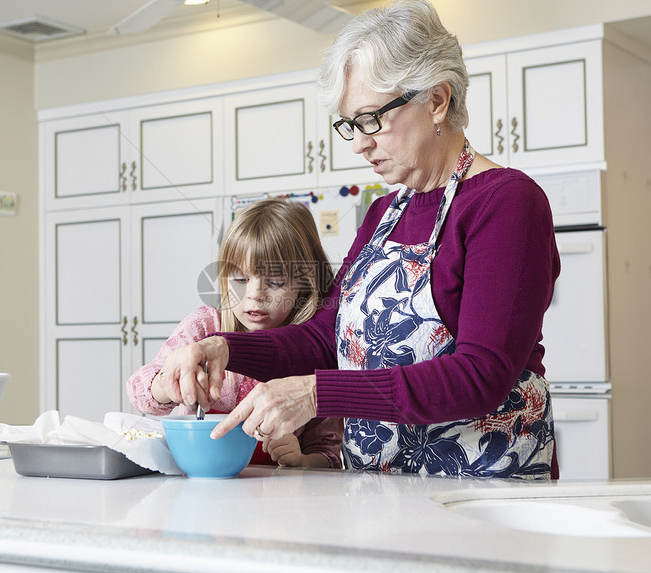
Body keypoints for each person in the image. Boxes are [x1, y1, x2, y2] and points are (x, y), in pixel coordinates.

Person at [157, 0, 560, 480]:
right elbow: (325, 336)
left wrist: (315, 394)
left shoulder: (507, 202)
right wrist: (224, 347)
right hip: (376, 487)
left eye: (371, 119)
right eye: (349, 124)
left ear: (436, 99)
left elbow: (481, 374)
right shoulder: (384, 214)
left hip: (481, 490)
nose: (358, 143)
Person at [127, 197, 343, 469]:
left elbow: (329, 455)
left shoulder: (315, 350)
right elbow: (138, 392)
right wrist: (168, 382)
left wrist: (302, 460)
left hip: (269, 497)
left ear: (305, 284)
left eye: (275, 282)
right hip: (197, 484)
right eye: (240, 280)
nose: (255, 295)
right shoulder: (204, 327)